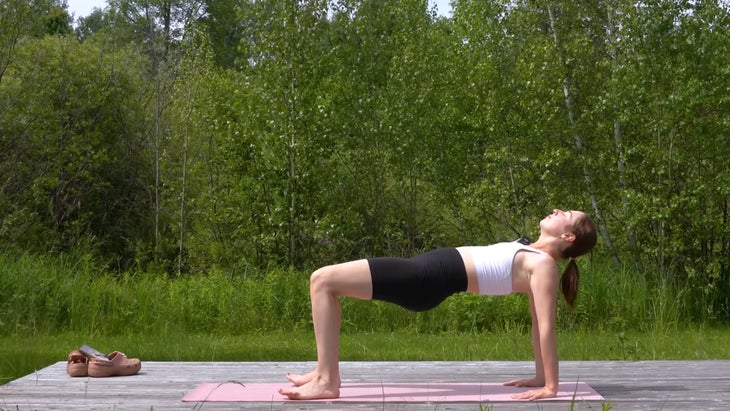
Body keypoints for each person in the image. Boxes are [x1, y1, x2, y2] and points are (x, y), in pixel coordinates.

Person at [279, 209, 597, 401]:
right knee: (324, 282)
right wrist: (540, 376)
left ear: (568, 237)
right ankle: (323, 372)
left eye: (565, 215)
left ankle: (327, 381)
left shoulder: (543, 266)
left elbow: (544, 326)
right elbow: (534, 323)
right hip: (422, 274)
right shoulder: (531, 250)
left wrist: (550, 386)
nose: (557, 210)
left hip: (424, 280)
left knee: (322, 280)